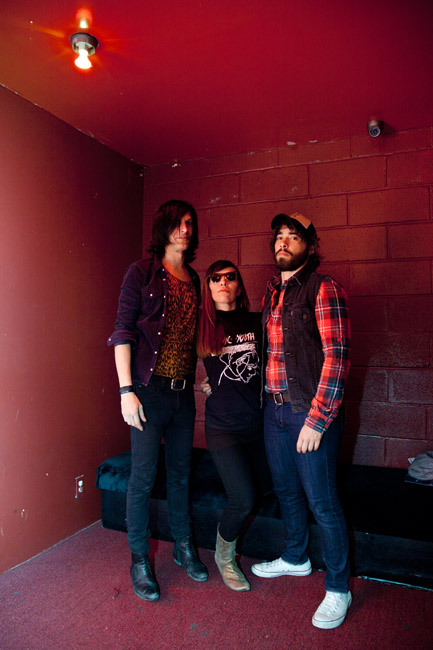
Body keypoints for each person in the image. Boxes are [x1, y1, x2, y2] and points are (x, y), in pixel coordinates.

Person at [251, 212, 352, 629]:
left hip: (307, 414)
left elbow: (337, 357)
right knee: (286, 492)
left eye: (293, 237)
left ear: (310, 247)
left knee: (323, 503)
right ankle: (295, 558)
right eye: (279, 236)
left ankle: (339, 587)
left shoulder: (323, 287)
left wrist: (317, 419)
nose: (283, 242)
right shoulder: (271, 293)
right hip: (273, 410)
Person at [108, 199, 208, 602]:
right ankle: (139, 559)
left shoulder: (194, 278)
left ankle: (183, 546)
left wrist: (211, 375)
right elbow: (122, 333)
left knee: (181, 474)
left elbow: (197, 338)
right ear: (164, 227)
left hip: (183, 395)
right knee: (143, 477)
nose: (185, 229)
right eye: (179, 222)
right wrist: (126, 391)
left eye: (190, 223)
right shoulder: (141, 272)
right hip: (148, 392)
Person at [197, 260, 269, 592]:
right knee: (243, 498)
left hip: (259, 425)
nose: (223, 282)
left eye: (230, 277)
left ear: (239, 286)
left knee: (266, 487)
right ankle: (224, 559)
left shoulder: (257, 322)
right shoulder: (202, 326)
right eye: (216, 278)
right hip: (223, 428)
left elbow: (275, 363)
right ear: (208, 287)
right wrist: (205, 382)